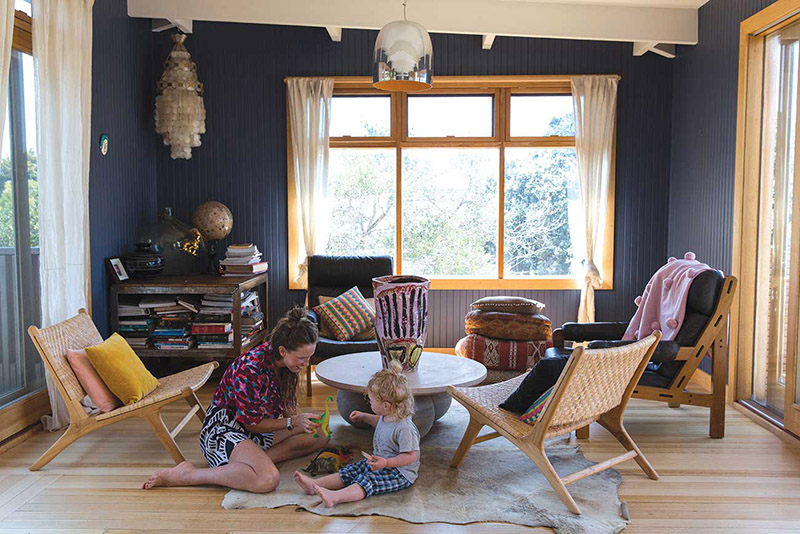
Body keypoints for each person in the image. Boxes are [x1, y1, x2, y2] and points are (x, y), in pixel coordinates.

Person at [144, 307, 328, 493]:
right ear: (282, 350)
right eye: (302, 358)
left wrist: (297, 422)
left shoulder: (286, 365)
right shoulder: (249, 369)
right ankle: (188, 474)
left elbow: (288, 406)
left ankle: (254, 461)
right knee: (268, 479)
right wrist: (292, 422)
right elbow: (252, 425)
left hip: (256, 433)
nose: (306, 364)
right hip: (226, 430)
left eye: (309, 357)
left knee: (319, 433)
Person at [293, 361, 420, 507]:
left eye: (371, 401)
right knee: (353, 470)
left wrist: (387, 463)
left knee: (368, 481)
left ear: (386, 405)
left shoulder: (405, 429)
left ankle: (336, 497)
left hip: (399, 473)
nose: (369, 403)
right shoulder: (389, 415)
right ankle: (314, 485)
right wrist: (364, 417)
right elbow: (380, 422)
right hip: (381, 463)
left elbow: (411, 456)